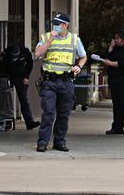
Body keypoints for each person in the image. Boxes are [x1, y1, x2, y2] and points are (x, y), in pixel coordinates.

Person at [34, 13, 87, 152]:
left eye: (57, 24)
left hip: (66, 81)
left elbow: (83, 56)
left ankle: (59, 142)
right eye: (54, 24)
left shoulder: (75, 39)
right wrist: (50, 39)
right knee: (48, 113)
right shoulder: (46, 37)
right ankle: (43, 142)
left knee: (64, 114)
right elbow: (38, 53)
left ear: (65, 25)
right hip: (49, 82)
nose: (55, 26)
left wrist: (79, 66)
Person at [0, 44, 40, 130]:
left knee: (23, 99)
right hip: (9, 76)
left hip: (21, 77)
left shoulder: (25, 52)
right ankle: (5, 118)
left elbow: (29, 64)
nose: (14, 59)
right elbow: (0, 67)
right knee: (6, 97)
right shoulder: (5, 54)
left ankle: (29, 122)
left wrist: (26, 76)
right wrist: (2, 78)